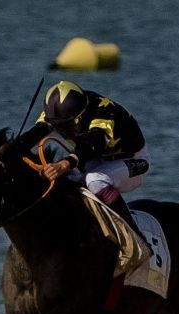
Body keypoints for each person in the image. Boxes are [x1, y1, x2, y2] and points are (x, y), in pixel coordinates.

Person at [32, 81, 149, 232]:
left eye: (66, 126)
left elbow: (92, 144)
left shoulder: (103, 112)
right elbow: (35, 133)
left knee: (95, 181)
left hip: (133, 160)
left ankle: (132, 232)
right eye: (56, 127)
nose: (61, 131)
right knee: (64, 180)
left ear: (79, 117)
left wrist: (65, 163)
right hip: (98, 160)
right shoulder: (56, 114)